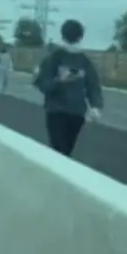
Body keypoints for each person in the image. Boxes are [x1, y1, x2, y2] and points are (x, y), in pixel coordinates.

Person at [33, 19, 103, 157]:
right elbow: (42, 84)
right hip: (61, 110)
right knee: (60, 148)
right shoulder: (58, 58)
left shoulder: (79, 60)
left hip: (72, 113)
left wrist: (95, 105)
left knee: (65, 150)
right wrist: (60, 81)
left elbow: (92, 84)